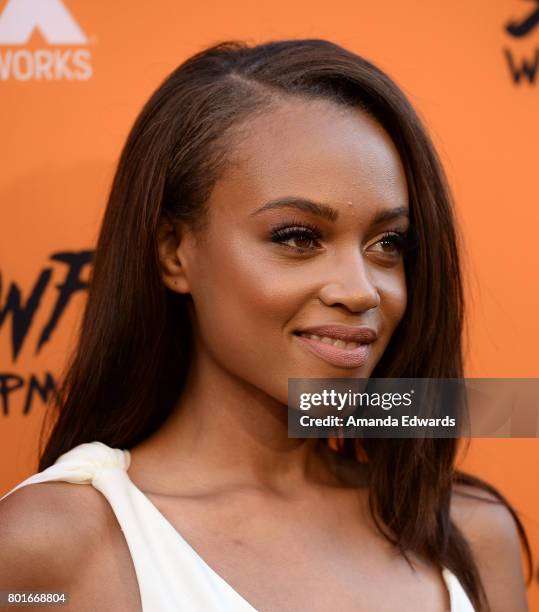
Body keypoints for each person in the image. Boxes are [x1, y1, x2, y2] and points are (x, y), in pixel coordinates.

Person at [0, 39, 531, 612]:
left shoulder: (469, 532)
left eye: (388, 243)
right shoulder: (52, 548)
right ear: (174, 252)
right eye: (298, 237)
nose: (360, 289)